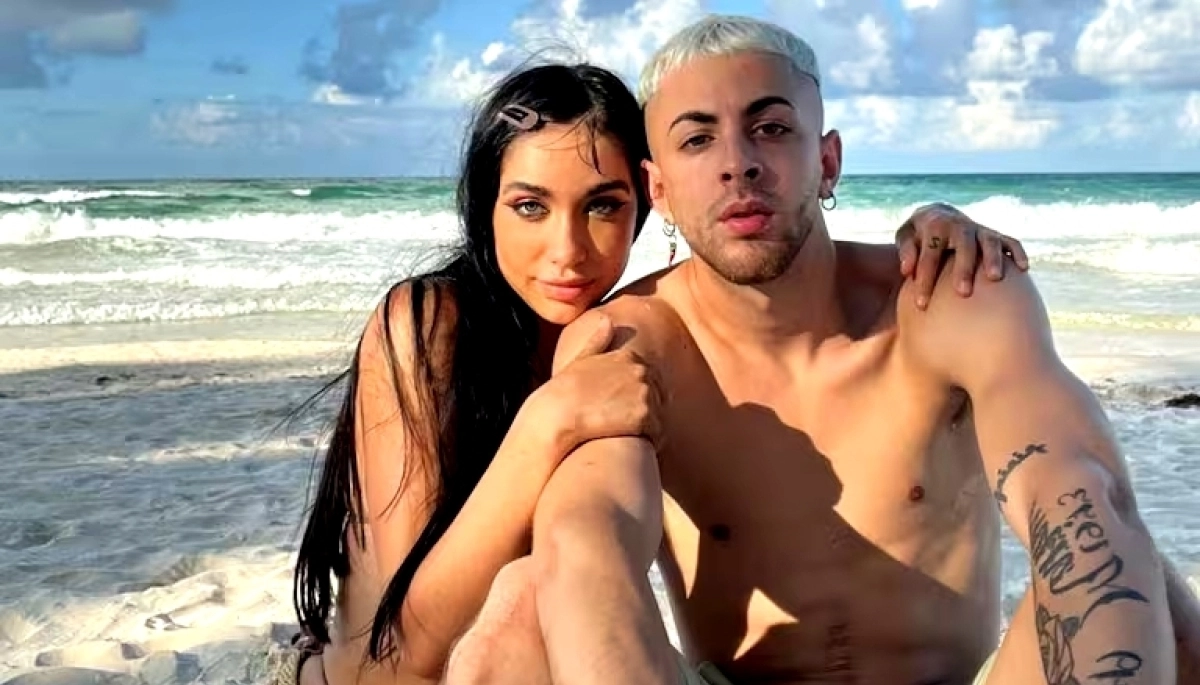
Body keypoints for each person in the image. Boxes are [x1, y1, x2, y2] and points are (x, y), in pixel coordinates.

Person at [442, 15, 1200, 685]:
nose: (738, 163)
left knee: (1134, 574)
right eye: (698, 139)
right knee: (522, 605)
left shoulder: (948, 296)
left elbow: (1074, 486)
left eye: (771, 128)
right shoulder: (632, 341)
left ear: (828, 161)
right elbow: (590, 540)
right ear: (659, 189)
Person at [281, 60, 1030, 685]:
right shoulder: (431, 325)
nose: (568, 250)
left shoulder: (629, 336)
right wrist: (547, 424)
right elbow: (386, 663)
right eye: (530, 207)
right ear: (486, 208)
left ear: (650, 200)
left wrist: (937, 220)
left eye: (603, 206)